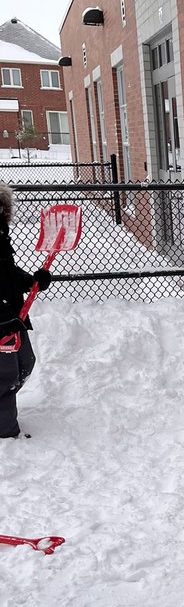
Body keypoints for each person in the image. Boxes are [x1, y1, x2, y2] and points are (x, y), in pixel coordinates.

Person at [1, 185, 52, 439]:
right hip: (2, 318)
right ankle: (6, 434)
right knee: (5, 377)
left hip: (11, 314)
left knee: (25, 363)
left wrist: (32, 281)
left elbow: (6, 272)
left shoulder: (0, 235)